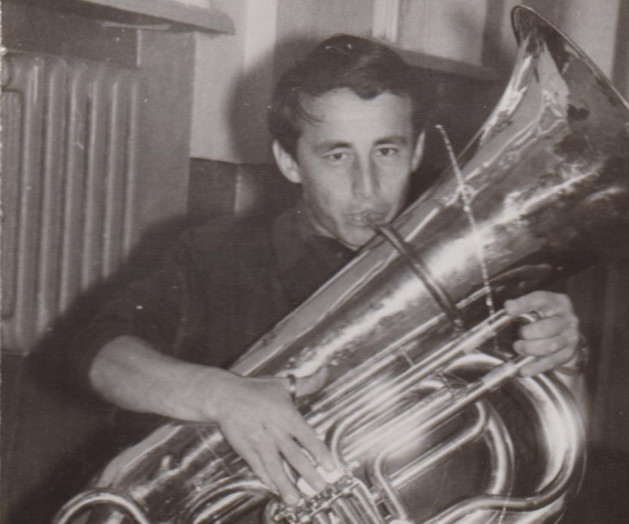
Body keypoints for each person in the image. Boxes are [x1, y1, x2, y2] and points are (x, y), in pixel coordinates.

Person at [72, 34, 581, 509]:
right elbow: (96, 352)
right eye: (337, 156)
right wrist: (222, 395)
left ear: (418, 150)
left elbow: (542, 472)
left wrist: (559, 365)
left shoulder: (475, 270)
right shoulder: (218, 255)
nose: (366, 187)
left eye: (387, 151)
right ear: (290, 162)